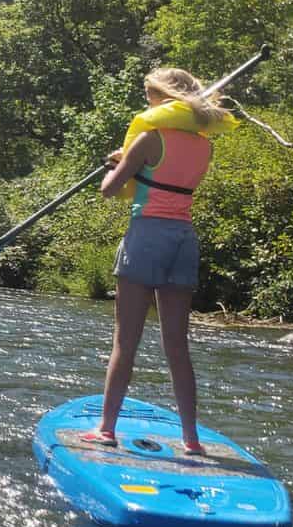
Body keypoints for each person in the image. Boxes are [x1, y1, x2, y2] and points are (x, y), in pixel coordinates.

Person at [83, 68, 233, 455]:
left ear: (160, 98)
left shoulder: (149, 137)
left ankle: (106, 429)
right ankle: (192, 439)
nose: (146, 102)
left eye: (148, 96)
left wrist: (116, 162)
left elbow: (110, 189)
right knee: (177, 346)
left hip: (147, 236)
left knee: (126, 341)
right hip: (184, 240)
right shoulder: (205, 145)